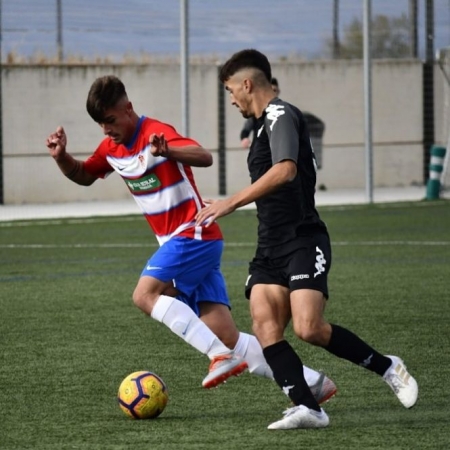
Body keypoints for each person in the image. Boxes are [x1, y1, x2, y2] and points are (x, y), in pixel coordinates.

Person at [45, 75, 337, 402]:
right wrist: (61, 158)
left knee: (144, 295)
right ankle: (311, 382)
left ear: (128, 109)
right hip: (184, 244)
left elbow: (203, 156)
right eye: (100, 124)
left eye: (111, 120)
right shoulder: (110, 148)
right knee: (228, 336)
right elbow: (85, 175)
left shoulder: (155, 132)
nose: (106, 129)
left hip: (193, 233)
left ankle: (218, 356)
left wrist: (167, 150)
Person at [195, 49, 418, 430]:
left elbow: (285, 170)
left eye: (231, 90)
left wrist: (231, 201)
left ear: (247, 84)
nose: (231, 99)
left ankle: (388, 366)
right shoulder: (261, 125)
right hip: (269, 245)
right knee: (265, 326)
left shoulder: (281, 114)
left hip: (303, 238)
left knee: (308, 327)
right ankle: (310, 408)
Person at [240, 77, 280, 149]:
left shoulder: (283, 111)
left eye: (274, 90)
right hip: (260, 149)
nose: (272, 94)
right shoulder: (257, 112)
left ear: (278, 92)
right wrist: (244, 138)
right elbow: (246, 129)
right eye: (270, 91)